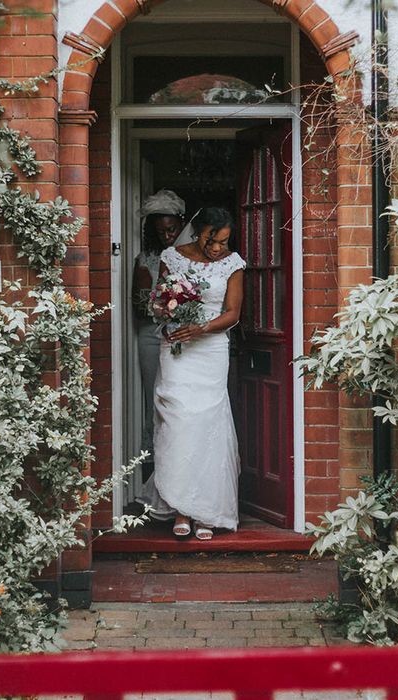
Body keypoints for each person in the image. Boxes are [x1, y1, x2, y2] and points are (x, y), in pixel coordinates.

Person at [146, 207, 245, 541]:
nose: (217, 248)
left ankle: (205, 512)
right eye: (211, 239)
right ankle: (181, 508)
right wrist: (167, 307)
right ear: (198, 230)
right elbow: (158, 301)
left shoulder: (233, 264)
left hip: (210, 350)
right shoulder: (172, 258)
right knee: (178, 421)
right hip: (176, 347)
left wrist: (200, 327)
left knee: (207, 425)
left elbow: (232, 313)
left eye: (223, 242)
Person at [132, 190, 186, 471]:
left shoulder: (192, 256)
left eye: (172, 229)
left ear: (182, 224)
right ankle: (154, 461)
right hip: (152, 335)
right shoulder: (147, 259)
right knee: (155, 396)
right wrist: (159, 303)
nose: (167, 236)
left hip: (186, 337)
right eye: (160, 231)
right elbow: (140, 305)